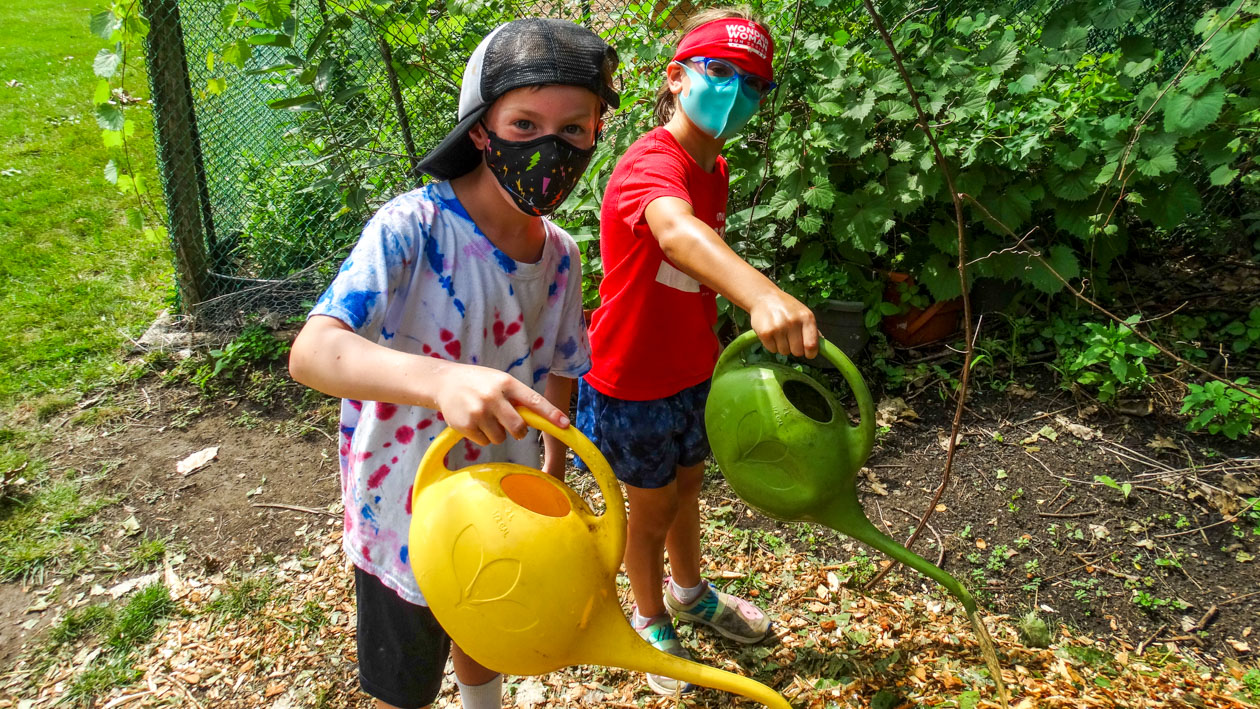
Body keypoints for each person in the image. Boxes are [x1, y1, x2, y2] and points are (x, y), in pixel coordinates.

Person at [288, 19, 618, 709]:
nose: (548, 148)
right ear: (479, 130)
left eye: (573, 129)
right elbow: (313, 351)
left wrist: (551, 484)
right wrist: (443, 379)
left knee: (486, 625)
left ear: (595, 135)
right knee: (404, 677)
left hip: (504, 505)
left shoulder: (560, 254)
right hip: (403, 510)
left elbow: (562, 364)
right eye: (523, 124)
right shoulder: (412, 227)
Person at [576, 8, 819, 696]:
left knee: (688, 491)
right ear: (676, 78)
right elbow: (677, 235)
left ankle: (690, 593)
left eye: (754, 84)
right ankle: (649, 617)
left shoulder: (716, 168)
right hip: (632, 378)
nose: (737, 92)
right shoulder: (653, 160)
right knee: (648, 509)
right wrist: (762, 294)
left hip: (690, 371)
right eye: (721, 73)